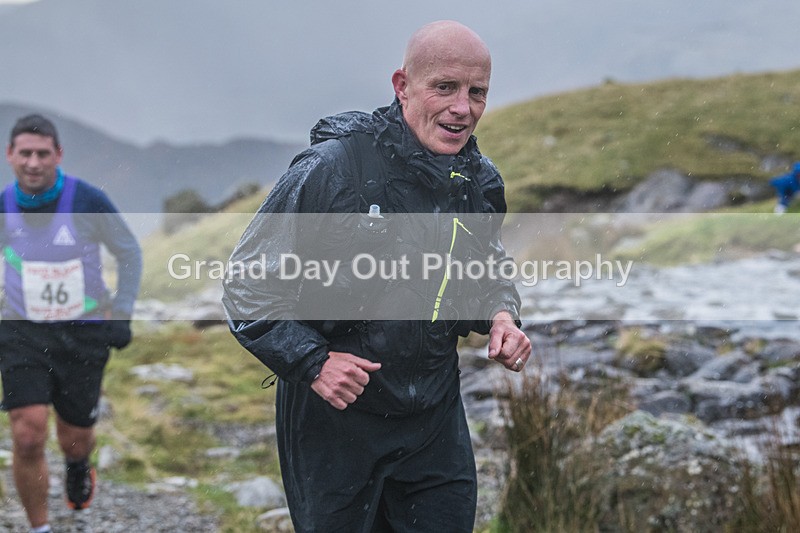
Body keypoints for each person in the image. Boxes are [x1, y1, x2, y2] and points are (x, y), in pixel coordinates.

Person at [223, 20, 531, 532]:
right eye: (445, 88)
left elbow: (485, 267)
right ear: (402, 86)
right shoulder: (331, 170)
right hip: (335, 418)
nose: (463, 108)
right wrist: (312, 361)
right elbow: (247, 282)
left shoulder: (478, 180)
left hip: (433, 416)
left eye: (477, 92)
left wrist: (502, 313)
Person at [0, 114, 142, 533]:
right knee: (28, 435)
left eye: (43, 153)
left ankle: (78, 464)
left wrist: (123, 311)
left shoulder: (88, 200)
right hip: (22, 330)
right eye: (25, 153)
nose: (33, 162)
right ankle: (40, 527)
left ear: (58, 155)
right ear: (10, 155)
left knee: (74, 436)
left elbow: (129, 252)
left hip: (84, 332)